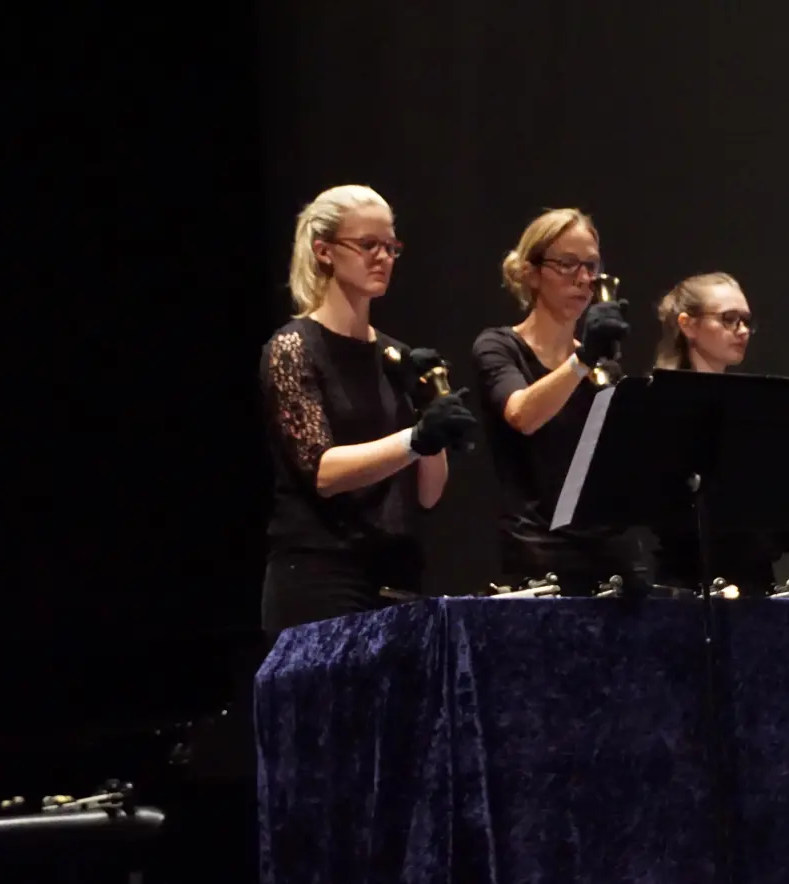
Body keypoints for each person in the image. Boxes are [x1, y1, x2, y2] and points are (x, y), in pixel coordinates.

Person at [259, 185, 477, 635]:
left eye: (391, 246)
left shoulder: (397, 355)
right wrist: (415, 438)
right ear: (324, 252)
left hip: (396, 574)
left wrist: (429, 425)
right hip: (322, 577)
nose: (383, 256)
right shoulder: (294, 348)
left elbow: (428, 494)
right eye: (367, 245)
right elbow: (323, 472)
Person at [471, 208, 645, 596]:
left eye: (591, 266)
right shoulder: (499, 346)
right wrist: (582, 361)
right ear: (531, 272)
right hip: (542, 561)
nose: (583, 279)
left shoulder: (603, 365)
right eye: (567, 264)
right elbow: (522, 415)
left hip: (611, 559)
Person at [645, 272, 789, 594]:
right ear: (688, 325)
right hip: (683, 585)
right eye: (729, 320)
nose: (742, 331)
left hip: (752, 580)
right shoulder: (657, 401)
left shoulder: (752, 405)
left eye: (746, 321)